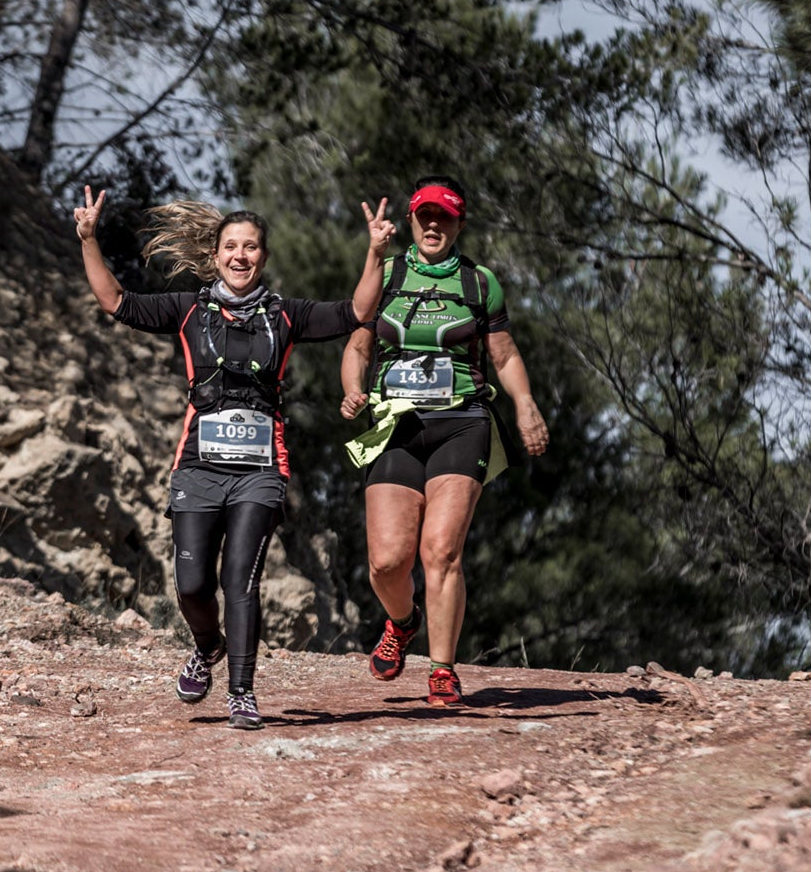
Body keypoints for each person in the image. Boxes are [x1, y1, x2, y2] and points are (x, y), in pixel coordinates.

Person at [76, 188, 393, 729]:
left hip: (260, 471)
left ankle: (241, 694)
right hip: (197, 465)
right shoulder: (189, 310)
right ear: (216, 255)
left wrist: (375, 253)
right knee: (193, 585)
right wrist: (88, 239)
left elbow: (359, 310)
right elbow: (116, 303)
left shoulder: (286, 316)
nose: (240, 256)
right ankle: (207, 646)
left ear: (263, 258)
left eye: (250, 247)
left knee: (240, 580)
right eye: (230, 246)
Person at [339, 176, 550, 706]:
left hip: (463, 420)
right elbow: (358, 347)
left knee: (441, 551)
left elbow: (503, 356)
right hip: (394, 425)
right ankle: (403, 622)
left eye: (446, 217)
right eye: (425, 215)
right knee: (387, 562)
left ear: (459, 225)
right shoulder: (386, 274)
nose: (434, 225)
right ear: (411, 219)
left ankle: (442, 667)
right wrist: (352, 391)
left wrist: (525, 406)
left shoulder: (480, 284)